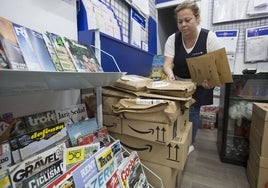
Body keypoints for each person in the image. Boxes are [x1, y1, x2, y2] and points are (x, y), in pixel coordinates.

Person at [162, 0, 222, 155]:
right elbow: (167, 64)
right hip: (180, 82)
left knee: (193, 112)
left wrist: (213, 81)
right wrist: (169, 74)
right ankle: (176, 137)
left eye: (187, 20)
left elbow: (219, 67)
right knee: (177, 110)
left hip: (201, 83)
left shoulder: (209, 37)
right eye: (180, 21)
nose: (183, 24)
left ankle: (190, 143)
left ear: (197, 18)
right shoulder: (172, 39)